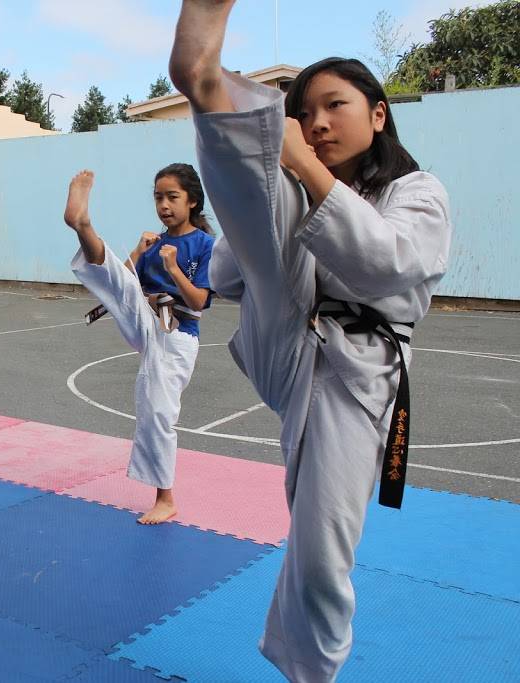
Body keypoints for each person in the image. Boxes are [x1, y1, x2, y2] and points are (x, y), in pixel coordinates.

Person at [168, 2, 452, 680]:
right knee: (276, 194)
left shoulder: (419, 192)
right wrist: (283, 183)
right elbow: (231, 275)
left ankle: (310, 671)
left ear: (379, 112)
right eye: (304, 113)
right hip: (285, 335)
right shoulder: (299, 182)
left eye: (335, 106)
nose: (318, 123)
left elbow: (388, 263)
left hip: (356, 371)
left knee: (322, 555)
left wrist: (304, 169)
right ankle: (205, 83)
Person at [64, 164, 214, 524]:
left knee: (156, 411)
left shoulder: (205, 245)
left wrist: (174, 268)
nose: (164, 205)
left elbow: (199, 302)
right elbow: (123, 282)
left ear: (192, 201)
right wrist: (137, 249)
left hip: (177, 335)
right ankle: (83, 225)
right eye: (158, 197)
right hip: (145, 319)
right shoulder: (154, 243)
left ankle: (166, 498)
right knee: (121, 283)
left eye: (172, 197)